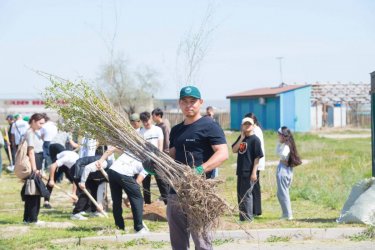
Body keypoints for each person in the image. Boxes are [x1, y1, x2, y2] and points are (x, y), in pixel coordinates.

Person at [167, 85, 228, 250]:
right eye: (185, 102)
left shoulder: (210, 125)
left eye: (193, 101)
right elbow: (171, 156)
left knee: (202, 243)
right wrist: (154, 165)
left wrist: (201, 169)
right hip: (176, 191)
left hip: (199, 192)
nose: (189, 105)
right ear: (180, 104)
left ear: (200, 102)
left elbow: (223, 153)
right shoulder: (176, 130)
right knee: (178, 244)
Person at [97, 147, 149, 233]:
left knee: (116, 201)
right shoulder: (149, 165)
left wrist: (101, 160)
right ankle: (139, 228)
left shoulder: (132, 149)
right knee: (138, 198)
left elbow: (111, 148)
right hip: (124, 173)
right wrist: (130, 197)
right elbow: (137, 182)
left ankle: (119, 227)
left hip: (112, 171)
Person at [232, 117, 263, 221]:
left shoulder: (255, 140)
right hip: (240, 171)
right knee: (240, 195)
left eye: (249, 124)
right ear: (242, 126)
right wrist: (241, 138)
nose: (247, 126)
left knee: (247, 195)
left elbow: (257, 157)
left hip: (249, 171)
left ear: (253, 126)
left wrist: (254, 172)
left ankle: (249, 218)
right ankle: (242, 217)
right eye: (245, 124)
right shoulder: (242, 138)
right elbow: (234, 150)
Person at [22, 113, 48, 224]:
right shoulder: (30, 133)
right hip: (34, 162)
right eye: (40, 123)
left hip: (36, 161)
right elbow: (31, 152)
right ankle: (32, 219)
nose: (41, 125)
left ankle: (29, 218)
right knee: (34, 191)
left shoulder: (33, 132)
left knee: (32, 191)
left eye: (43, 123)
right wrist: (35, 168)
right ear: (33, 121)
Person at [139, 111, 169, 205]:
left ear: (150, 119)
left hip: (157, 159)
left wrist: (158, 157)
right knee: (146, 183)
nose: (146, 123)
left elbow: (160, 144)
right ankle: (147, 204)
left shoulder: (157, 130)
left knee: (161, 182)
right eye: (144, 121)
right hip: (146, 160)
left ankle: (167, 203)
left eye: (147, 120)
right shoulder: (141, 132)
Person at [276, 126, 302, 220]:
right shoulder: (288, 144)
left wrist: (280, 145)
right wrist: (280, 143)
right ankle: (286, 213)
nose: (278, 137)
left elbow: (282, 155)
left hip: (283, 169)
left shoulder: (286, 146)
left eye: (279, 135)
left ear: (283, 136)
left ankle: (288, 215)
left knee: (283, 193)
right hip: (286, 169)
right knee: (281, 193)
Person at [244, 112, 265, 216]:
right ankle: (256, 209)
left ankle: (256, 210)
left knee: (254, 187)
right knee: (255, 187)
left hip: (255, 163)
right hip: (256, 163)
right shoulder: (257, 129)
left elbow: (255, 149)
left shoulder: (255, 131)